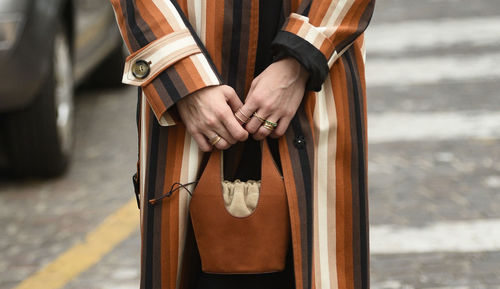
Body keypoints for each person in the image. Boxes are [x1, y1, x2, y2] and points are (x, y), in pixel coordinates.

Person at [109, 0, 375, 288]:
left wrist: (301, 59)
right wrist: (183, 79)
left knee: (314, 263)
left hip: (313, 83)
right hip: (192, 96)